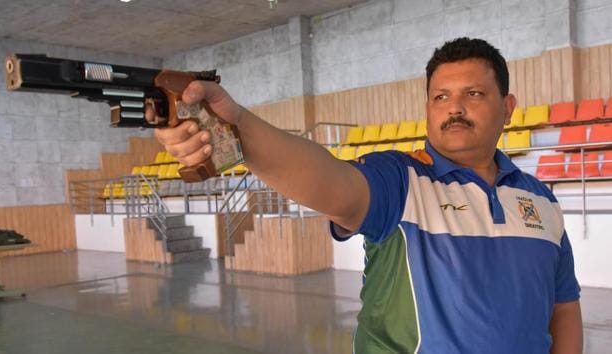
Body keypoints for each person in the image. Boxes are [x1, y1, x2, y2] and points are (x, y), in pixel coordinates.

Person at [152, 37, 582, 353]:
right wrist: (238, 126)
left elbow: (563, 307)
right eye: (440, 96)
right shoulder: (401, 179)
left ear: (507, 108)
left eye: (473, 94)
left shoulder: (541, 200)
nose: (454, 108)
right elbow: (326, 180)